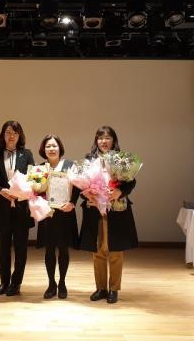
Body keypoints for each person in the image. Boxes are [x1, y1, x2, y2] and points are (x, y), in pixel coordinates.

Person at [79, 126, 137, 304]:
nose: (103, 141)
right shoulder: (89, 159)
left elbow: (131, 181)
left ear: (113, 140)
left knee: (115, 251)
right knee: (97, 251)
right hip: (95, 209)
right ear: (96, 141)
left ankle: (114, 289)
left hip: (116, 209)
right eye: (100, 138)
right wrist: (87, 194)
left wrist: (120, 191)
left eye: (107, 138)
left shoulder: (120, 159)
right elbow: (80, 184)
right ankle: (101, 288)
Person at [0, 120, 34, 296]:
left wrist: (24, 191)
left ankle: (16, 283)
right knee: (3, 248)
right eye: (8, 132)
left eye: (15, 133)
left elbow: (34, 178)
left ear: (19, 136)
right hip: (2, 208)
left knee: (21, 248)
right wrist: (0, 190)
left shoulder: (27, 154)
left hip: (22, 208)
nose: (11, 136)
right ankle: (4, 282)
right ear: (3, 135)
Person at [35, 134, 79, 299]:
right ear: (43, 149)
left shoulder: (70, 165)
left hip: (65, 212)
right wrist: (39, 203)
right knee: (49, 250)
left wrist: (72, 203)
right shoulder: (40, 168)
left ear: (60, 148)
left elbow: (78, 188)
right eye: (48, 146)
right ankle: (51, 284)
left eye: (54, 145)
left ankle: (62, 283)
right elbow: (34, 191)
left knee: (63, 249)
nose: (51, 149)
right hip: (48, 213)